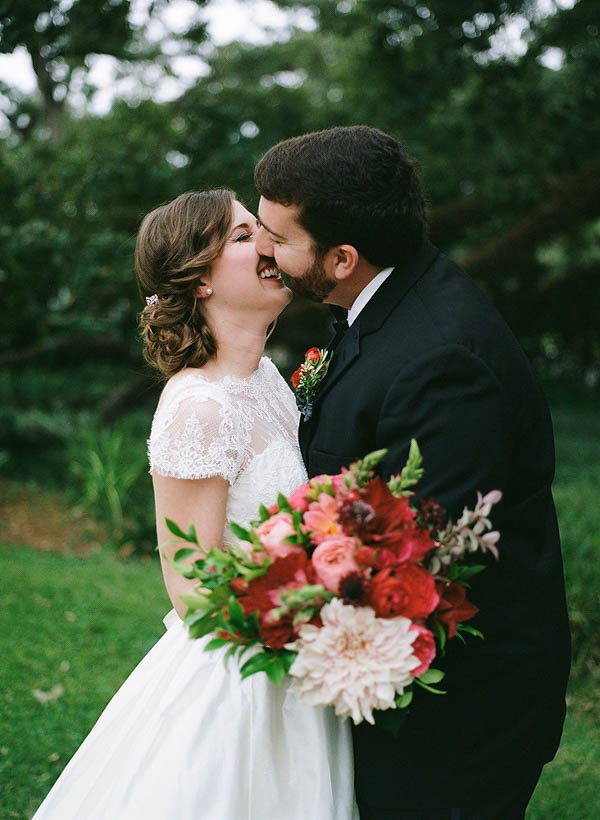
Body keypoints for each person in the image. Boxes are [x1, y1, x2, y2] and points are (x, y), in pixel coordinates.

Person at [254, 125, 571, 820]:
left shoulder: (441, 360)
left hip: (459, 713)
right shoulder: (386, 300)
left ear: (342, 258)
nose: (261, 248)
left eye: (277, 237)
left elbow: (418, 558)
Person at [32, 189, 359, 820]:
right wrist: (303, 615)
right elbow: (191, 586)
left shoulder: (266, 380)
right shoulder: (199, 407)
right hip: (242, 674)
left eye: (261, 231)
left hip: (301, 659)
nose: (268, 244)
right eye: (243, 237)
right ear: (199, 280)